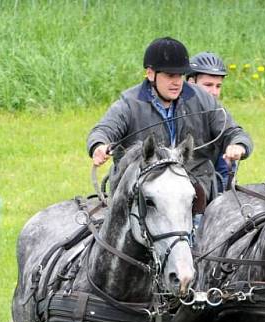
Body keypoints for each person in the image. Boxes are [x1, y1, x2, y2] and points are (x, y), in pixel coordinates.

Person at [87, 37, 252, 204]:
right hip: (141, 197)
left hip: (194, 193)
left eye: (180, 75)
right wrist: (98, 146)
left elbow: (233, 132)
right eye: (170, 75)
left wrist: (238, 144)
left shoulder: (202, 99)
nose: (177, 82)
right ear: (151, 74)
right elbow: (103, 131)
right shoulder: (129, 104)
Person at [187, 51, 232, 190]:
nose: (215, 92)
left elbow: (233, 132)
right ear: (190, 82)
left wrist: (238, 145)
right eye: (208, 85)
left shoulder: (218, 112)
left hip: (207, 182)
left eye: (218, 86)